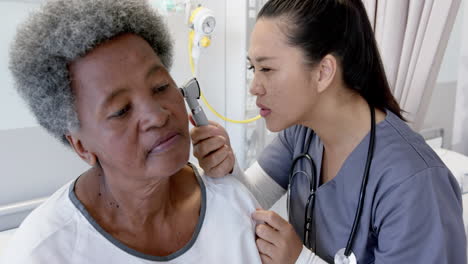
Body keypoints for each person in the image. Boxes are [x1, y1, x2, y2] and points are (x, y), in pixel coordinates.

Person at [190, 0, 467, 263]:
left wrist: (300, 260)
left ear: (323, 72)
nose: (254, 86)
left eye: (267, 68)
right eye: (253, 67)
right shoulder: (301, 134)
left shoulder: (414, 183)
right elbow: (251, 205)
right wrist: (226, 169)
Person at [0, 0, 262, 263]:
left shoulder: (232, 204)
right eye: (121, 110)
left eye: (160, 86)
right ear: (81, 147)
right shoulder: (43, 252)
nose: (157, 116)